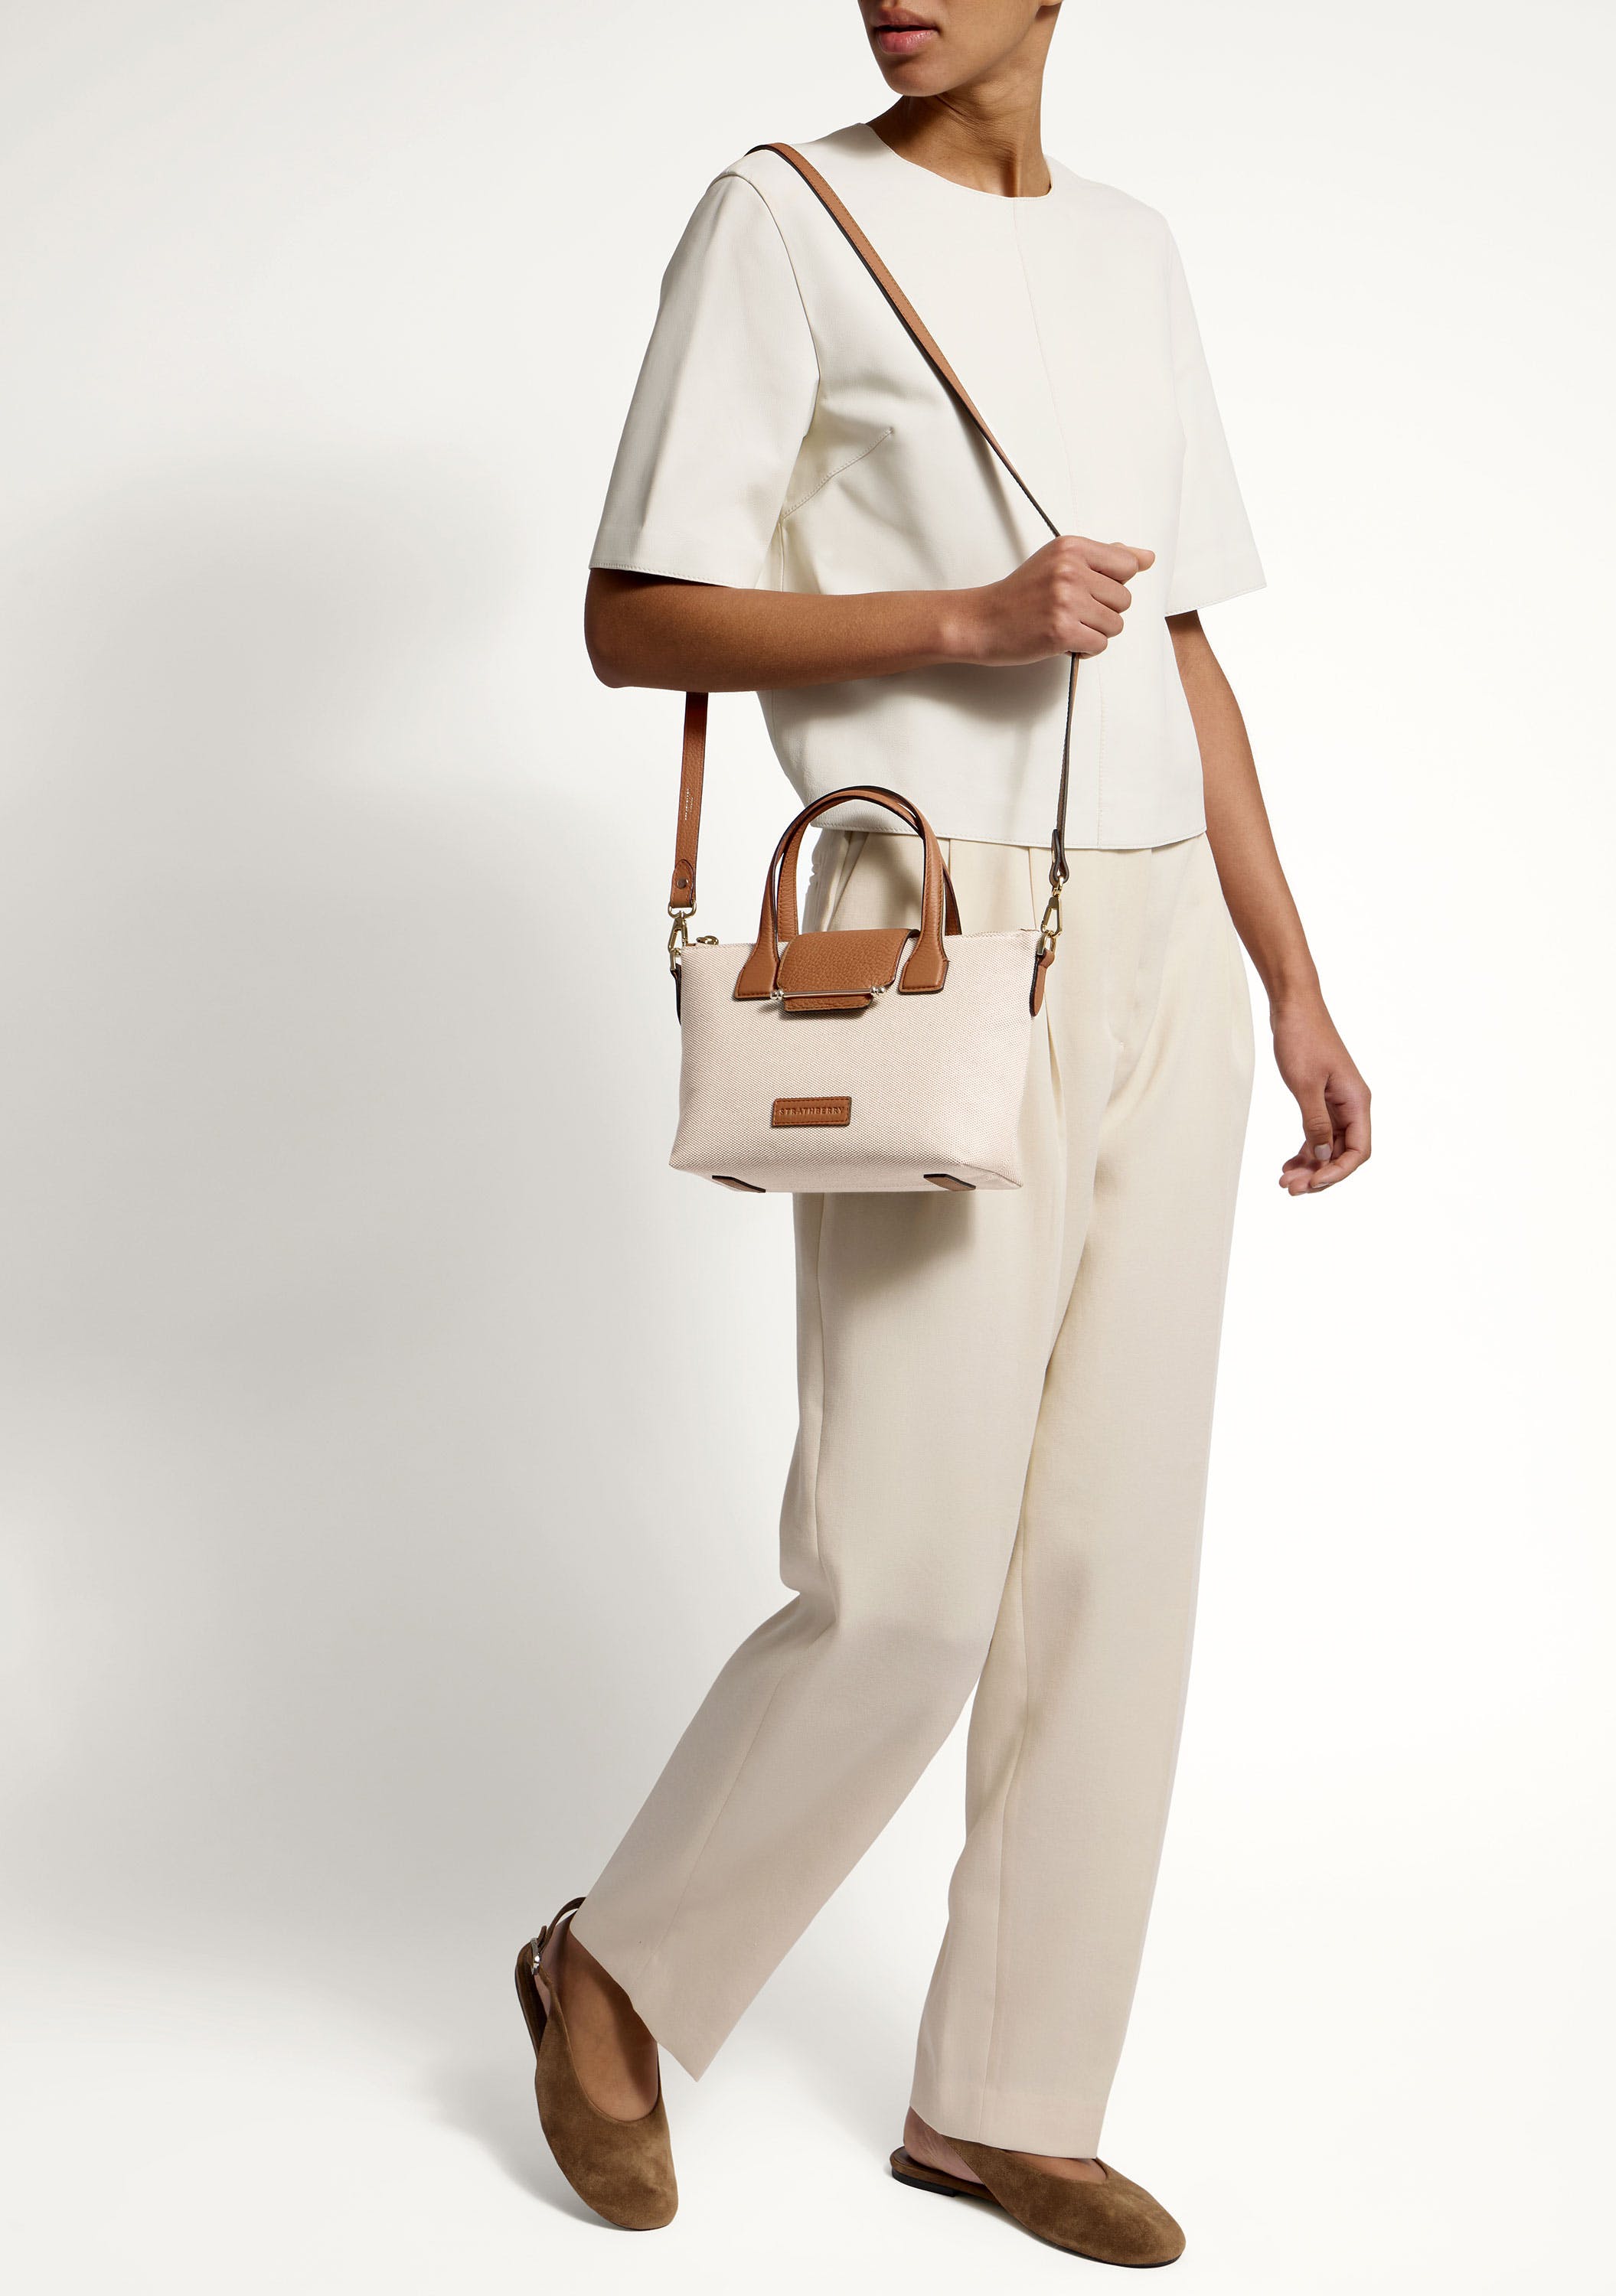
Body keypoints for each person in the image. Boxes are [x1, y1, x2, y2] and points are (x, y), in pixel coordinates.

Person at [517, 1, 1371, 2266]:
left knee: (1110, 1569)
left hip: (1166, 942)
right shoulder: (783, 225)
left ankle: (1006, 2101)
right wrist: (969, 623)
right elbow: (633, 619)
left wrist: (1290, 978)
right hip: (933, 940)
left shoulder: (1137, 251)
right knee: (907, 1576)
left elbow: (1180, 646)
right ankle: (617, 1964)